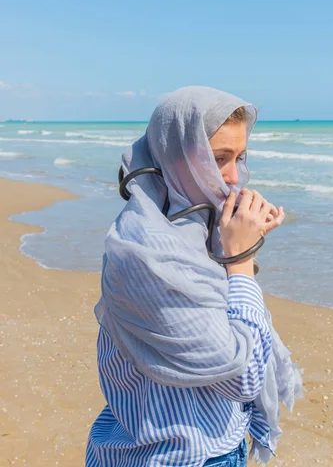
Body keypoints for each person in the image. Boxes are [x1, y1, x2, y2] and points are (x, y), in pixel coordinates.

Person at [86, 87, 302, 467]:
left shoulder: (193, 226)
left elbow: (223, 317)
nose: (234, 177)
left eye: (239, 157)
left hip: (212, 442)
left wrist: (234, 238)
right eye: (218, 158)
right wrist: (239, 259)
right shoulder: (145, 253)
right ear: (175, 155)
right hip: (177, 456)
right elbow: (242, 378)